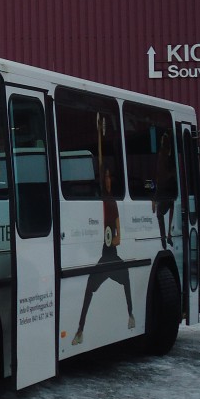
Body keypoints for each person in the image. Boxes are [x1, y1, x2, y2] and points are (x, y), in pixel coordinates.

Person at [72, 114, 135, 346]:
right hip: (102, 256)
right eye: (105, 177)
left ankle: (131, 315)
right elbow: (98, 161)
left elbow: (118, 236)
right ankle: (79, 330)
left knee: (127, 278)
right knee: (89, 288)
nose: (107, 180)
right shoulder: (98, 198)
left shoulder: (114, 202)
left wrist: (112, 238)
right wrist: (99, 134)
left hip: (112, 255)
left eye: (109, 177)